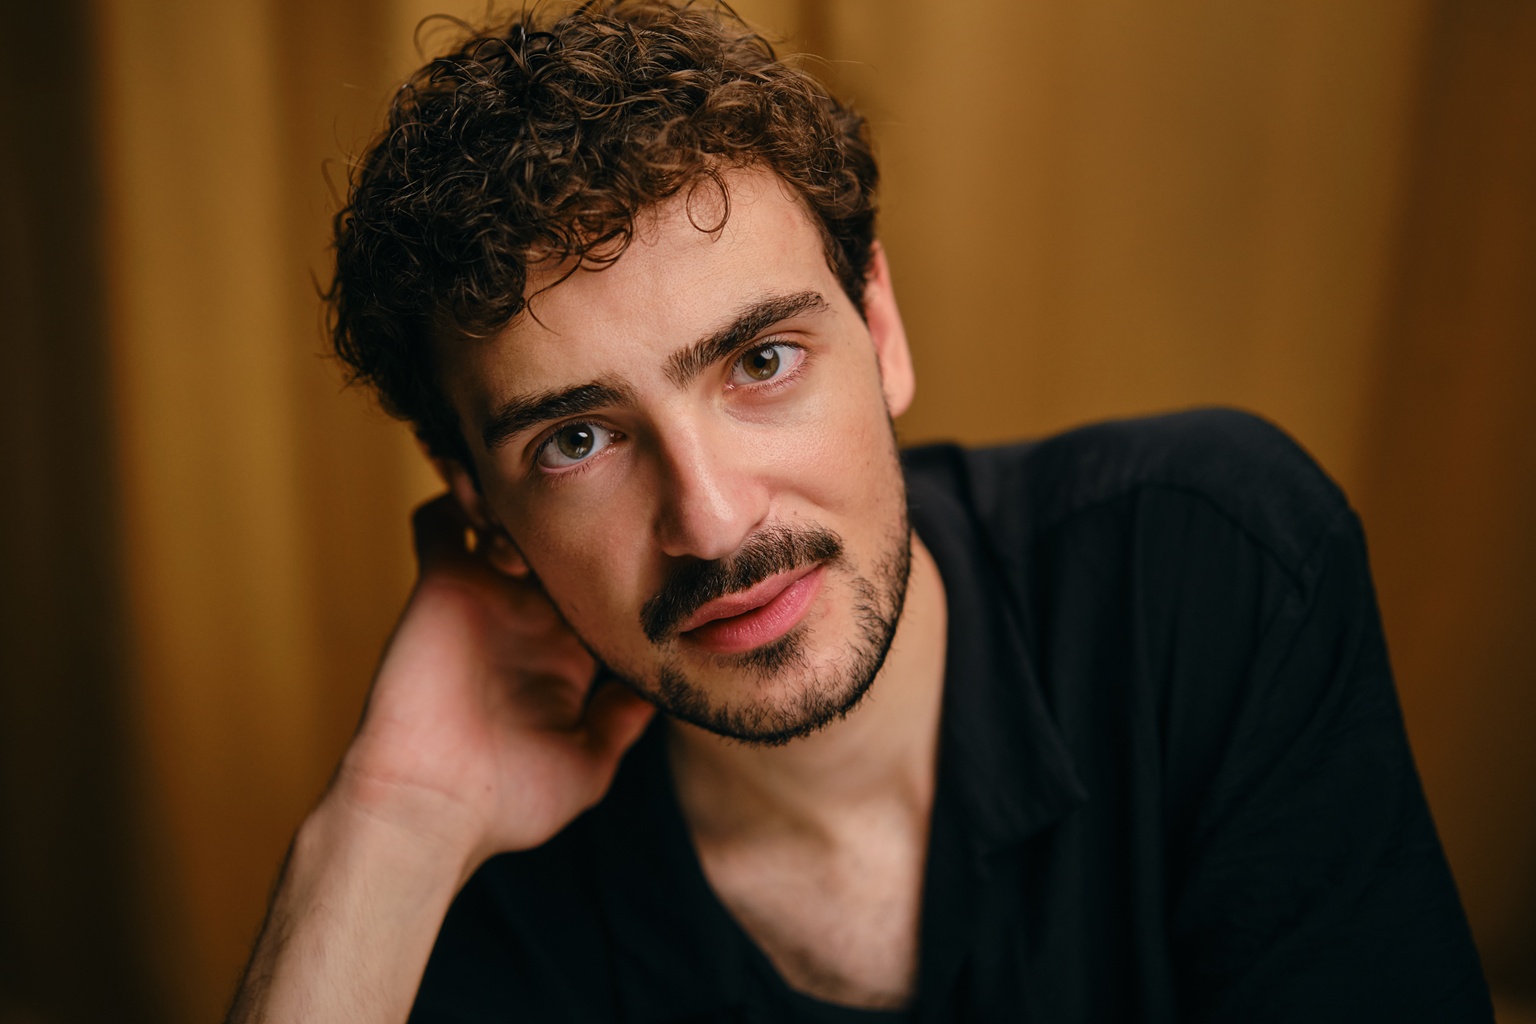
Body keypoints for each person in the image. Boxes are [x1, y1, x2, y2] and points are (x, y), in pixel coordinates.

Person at [226, 2, 1494, 1021]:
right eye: (577, 440)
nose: (713, 522)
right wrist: (388, 828)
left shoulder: (1211, 564)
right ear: (480, 507)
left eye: (762, 361)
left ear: (880, 328)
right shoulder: (472, 885)